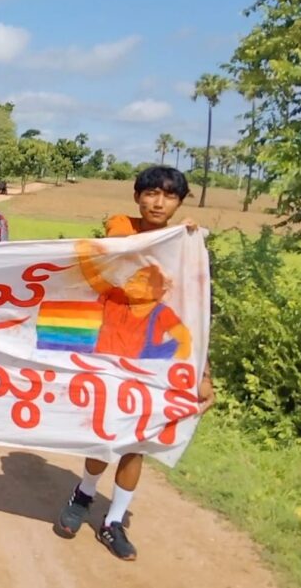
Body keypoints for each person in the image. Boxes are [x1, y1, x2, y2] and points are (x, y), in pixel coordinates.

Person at [55, 165, 215, 561]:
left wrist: (203, 371)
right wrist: (176, 239)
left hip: (155, 353)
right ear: (136, 196)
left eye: (169, 196)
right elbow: (121, 247)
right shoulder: (122, 226)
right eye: (151, 193)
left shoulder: (187, 248)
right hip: (110, 346)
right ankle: (84, 494)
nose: (158, 202)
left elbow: (194, 310)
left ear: (179, 202)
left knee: (137, 440)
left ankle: (114, 521)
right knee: (104, 432)